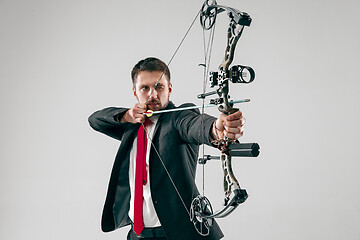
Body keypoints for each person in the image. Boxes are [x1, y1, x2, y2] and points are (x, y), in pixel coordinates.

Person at [88, 57, 246, 240]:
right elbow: (95, 120)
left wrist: (217, 129)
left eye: (159, 87)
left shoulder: (177, 118)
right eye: (145, 88)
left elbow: (195, 125)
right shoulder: (130, 126)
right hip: (138, 234)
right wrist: (126, 115)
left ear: (169, 89)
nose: (152, 94)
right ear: (135, 92)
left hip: (177, 233)